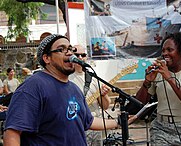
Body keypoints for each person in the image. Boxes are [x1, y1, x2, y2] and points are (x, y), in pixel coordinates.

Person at [3, 34, 131, 146]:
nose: (70, 53)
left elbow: (89, 121)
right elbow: (12, 132)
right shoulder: (33, 86)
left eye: (70, 49)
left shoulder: (74, 89)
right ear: (47, 58)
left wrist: (119, 122)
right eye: (61, 49)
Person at [136, 32, 181, 145]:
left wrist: (170, 78)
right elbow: (139, 103)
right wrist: (147, 82)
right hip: (162, 129)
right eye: (163, 50)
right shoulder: (158, 73)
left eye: (170, 50)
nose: (165, 53)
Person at [69, 45, 111, 146]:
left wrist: (103, 95)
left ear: (86, 57)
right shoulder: (66, 78)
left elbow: (105, 106)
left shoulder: (93, 77)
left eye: (83, 55)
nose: (80, 58)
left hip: (95, 125)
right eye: (77, 55)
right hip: (78, 126)